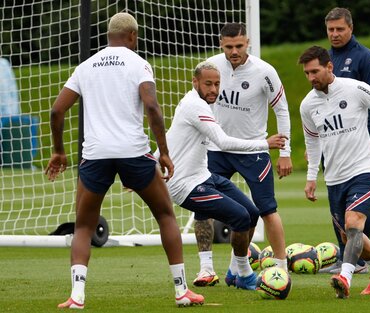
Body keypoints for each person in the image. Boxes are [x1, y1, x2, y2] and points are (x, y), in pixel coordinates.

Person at [45, 12, 203, 308]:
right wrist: (164, 152)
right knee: (166, 216)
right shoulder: (138, 63)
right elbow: (152, 108)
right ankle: (182, 291)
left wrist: (59, 151)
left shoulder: (86, 66)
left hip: (95, 155)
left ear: (109, 36)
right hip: (133, 153)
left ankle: (77, 296)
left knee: (83, 227)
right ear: (132, 36)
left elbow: (56, 111)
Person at [157, 61, 286, 290]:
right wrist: (264, 144)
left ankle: (234, 271)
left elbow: (170, 135)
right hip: (185, 186)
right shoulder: (194, 106)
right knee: (240, 218)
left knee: (253, 213)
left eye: (217, 84)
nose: (214, 90)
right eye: (208, 84)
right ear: (195, 82)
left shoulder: (197, 102)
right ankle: (245, 275)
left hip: (203, 176)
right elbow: (223, 142)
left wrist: (151, 161)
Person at [298, 45, 370, 298]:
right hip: (334, 178)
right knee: (350, 234)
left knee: (353, 224)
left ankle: (345, 277)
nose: (311, 78)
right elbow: (312, 142)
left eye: (314, 71)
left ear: (329, 67)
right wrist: (310, 178)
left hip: (363, 171)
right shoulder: (307, 105)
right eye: (306, 73)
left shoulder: (354, 88)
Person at [192, 23, 293, 287]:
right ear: (220, 44)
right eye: (229, 47)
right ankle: (205, 269)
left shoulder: (264, 72)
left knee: (266, 210)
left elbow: (281, 110)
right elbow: (195, 104)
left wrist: (285, 151)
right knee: (202, 206)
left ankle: (279, 270)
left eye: (239, 46)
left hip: (253, 151)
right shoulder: (211, 67)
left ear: (247, 42)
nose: (234, 51)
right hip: (216, 149)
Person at [321, 7, 370, 274]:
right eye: (330, 30)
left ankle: (356, 260)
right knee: (338, 198)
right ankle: (347, 255)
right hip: (333, 139)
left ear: (351, 28)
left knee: (356, 203)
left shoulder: (365, 58)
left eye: (340, 29)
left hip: (358, 141)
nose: (335, 34)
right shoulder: (326, 58)